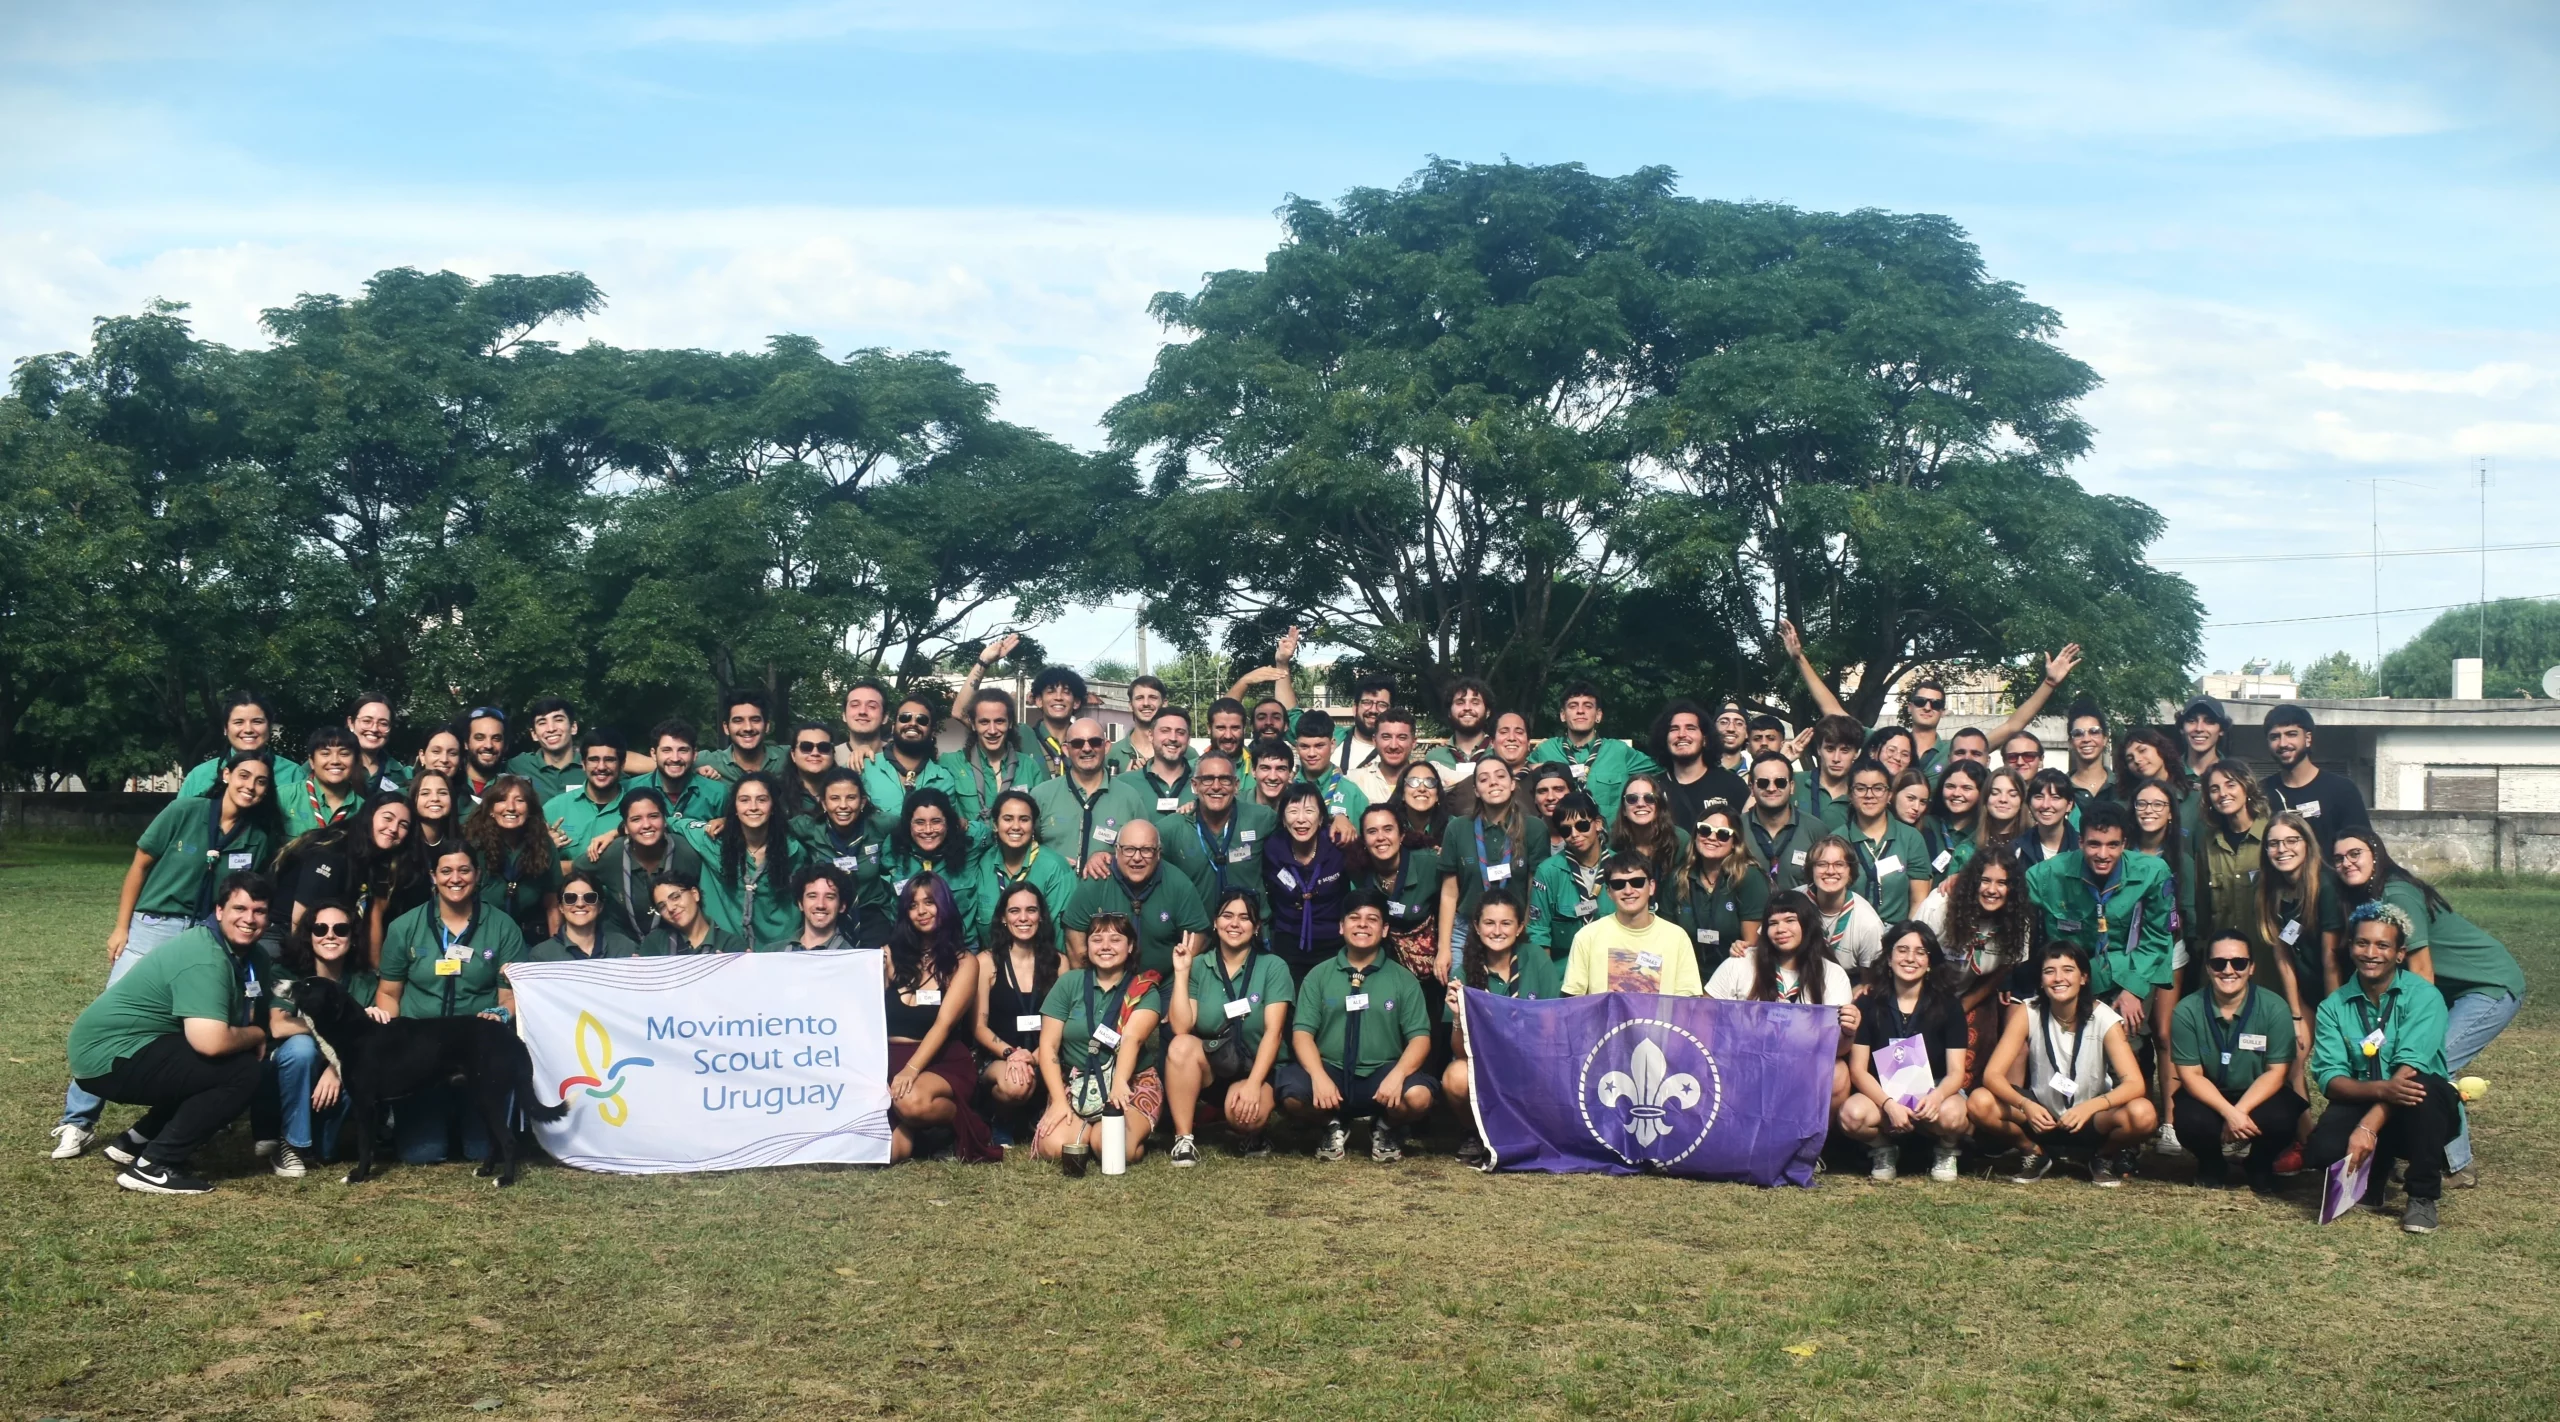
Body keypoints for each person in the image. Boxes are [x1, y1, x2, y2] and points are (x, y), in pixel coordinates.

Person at [55, 753, 284, 1161]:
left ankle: (156, 1128)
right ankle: (78, 1121)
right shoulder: (185, 810)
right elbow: (140, 865)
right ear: (227, 775)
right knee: (122, 1017)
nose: (251, 785)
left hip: (207, 932)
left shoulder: (257, 837)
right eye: (244, 775)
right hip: (156, 924)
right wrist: (122, 926)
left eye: (262, 781)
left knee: (192, 1024)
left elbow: (244, 895)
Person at [64, 872, 277, 1194]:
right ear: (219, 911)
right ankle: (154, 1165)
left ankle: (135, 1141)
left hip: (143, 1043)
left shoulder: (253, 957)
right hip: (108, 1055)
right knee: (241, 1070)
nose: (249, 919)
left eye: (259, 911)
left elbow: (256, 1015)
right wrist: (258, 1035)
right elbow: (212, 1042)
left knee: (226, 1060)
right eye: (239, 909)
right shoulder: (205, 957)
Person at [2332, 825, 2523, 1182]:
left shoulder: (2397, 894)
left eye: (2354, 853)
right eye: (2339, 858)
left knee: (2431, 1063)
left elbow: (2420, 973)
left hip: (2489, 985)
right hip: (2459, 990)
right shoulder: (2368, 897)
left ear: (2376, 852)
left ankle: (2456, 1165)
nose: (2346, 862)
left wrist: (2404, 1031)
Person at [2305, 903, 2462, 1233]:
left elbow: (2410, 1068)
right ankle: (2373, 1175)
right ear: (2351, 947)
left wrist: (2367, 1127)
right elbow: (2331, 1080)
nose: (2371, 953)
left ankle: (2422, 1196)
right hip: (2370, 1095)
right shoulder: (2333, 1007)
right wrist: (2379, 1090)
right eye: (2362, 943)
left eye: (2382, 945)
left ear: (2400, 953)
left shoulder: (2424, 997)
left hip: (2419, 1107)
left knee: (2425, 1088)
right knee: (2322, 1150)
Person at [374, 843, 530, 1164]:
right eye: (445, 871)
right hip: (423, 1054)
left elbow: (510, 995)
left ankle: (469, 1121)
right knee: (422, 1154)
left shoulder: (503, 928)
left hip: (476, 1053)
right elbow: (389, 992)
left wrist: (501, 1014)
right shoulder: (404, 927)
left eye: (464, 870)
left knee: (479, 1152)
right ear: (433, 876)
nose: (455, 879)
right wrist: (394, 1042)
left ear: (478, 875)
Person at [1777, 621, 2081, 785]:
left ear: (1943, 711)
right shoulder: (1884, 742)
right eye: (1920, 700)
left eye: (1935, 704)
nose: (1927, 707)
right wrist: (1800, 659)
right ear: (1909, 706)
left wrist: (2049, 683)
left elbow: (2014, 724)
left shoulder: (1957, 750)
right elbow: (1834, 712)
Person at [1968, 942, 2156, 1186]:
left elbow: (2134, 1084)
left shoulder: (2105, 1017)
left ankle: (2103, 1156)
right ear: (2041, 979)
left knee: (2144, 1114)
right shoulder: (2028, 1012)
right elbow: (1993, 1075)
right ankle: (2032, 1152)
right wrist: (2026, 1105)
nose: (2058, 978)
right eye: (2049, 971)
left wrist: (2090, 1108)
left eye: (2068, 970)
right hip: (2040, 1115)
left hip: (2091, 1117)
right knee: (1978, 1102)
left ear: (2084, 978)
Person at [1278, 893, 1437, 1163]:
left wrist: (1398, 1075)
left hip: (1381, 1074)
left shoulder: (1403, 979)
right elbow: (1302, 1034)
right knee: (1291, 1093)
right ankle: (1332, 1124)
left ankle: (1385, 1126)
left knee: (1419, 1096)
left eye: (1372, 919)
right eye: (1354, 918)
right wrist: (1318, 1076)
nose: (1362, 925)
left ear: (1385, 929)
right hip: (1332, 1072)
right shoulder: (1318, 975)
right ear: (1341, 926)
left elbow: (1420, 1038)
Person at [2022, 800, 2176, 1069]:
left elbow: (2157, 938)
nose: (2103, 854)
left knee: (2124, 1044)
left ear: (2124, 843)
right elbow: (2002, 894)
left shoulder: (2152, 873)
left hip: (2131, 968)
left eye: (2112, 845)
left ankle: (2134, 1106)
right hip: (2073, 974)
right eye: (2094, 844)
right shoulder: (2048, 875)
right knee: (2072, 1051)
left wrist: (2133, 989)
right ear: (2080, 842)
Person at [1163, 888, 1297, 1164]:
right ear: (1215, 922)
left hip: (1259, 1066)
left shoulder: (1273, 966)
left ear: (1257, 927)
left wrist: (1253, 1085)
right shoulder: (1200, 965)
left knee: (1243, 1118)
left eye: (1244, 918)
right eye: (1227, 915)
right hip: (1218, 1061)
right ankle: (1184, 1140)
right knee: (1179, 1046)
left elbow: (1274, 1033)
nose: (1234, 924)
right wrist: (1181, 972)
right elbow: (1181, 1026)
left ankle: (1254, 1129)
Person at [2168, 930, 2305, 1193]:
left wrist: (2239, 1111)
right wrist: (2229, 1113)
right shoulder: (2186, 1011)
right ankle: (2211, 1165)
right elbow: (2190, 1075)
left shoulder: (2275, 1008)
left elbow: (2276, 1072)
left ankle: (2259, 1165)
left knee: (2283, 1118)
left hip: (2258, 1093)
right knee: (2189, 1120)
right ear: (2208, 967)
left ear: (2251, 967)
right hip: (2210, 1093)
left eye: (2239, 963)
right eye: (2219, 963)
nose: (2228, 970)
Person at [1033, 911, 1165, 1171]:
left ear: (1130, 947)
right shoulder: (1069, 982)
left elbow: (1131, 1040)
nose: (1105, 946)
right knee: (1054, 1146)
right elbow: (1048, 1046)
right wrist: (1059, 1100)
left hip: (1129, 1083)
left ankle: (1113, 1136)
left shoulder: (1143, 988)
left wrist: (1119, 1084)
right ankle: (1089, 1128)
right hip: (1077, 1082)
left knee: (1110, 1146)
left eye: (1115, 939)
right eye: (1097, 939)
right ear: (1087, 946)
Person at [1840, 922, 1972, 1182]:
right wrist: (1889, 1105)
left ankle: (1945, 1149)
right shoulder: (1868, 1002)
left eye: (1920, 952)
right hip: (1883, 1093)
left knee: (1953, 1115)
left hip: (1933, 1092)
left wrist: (1936, 1097)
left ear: (1930, 961)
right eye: (1902, 950)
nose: (1910, 958)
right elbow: (1857, 1069)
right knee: (1851, 1116)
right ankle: (1883, 1148)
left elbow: (1957, 1072)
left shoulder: (1949, 1005)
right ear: (1889, 958)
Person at [1705, 890, 1859, 1111]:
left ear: (1807, 924)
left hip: (1802, 1063)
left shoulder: (1832, 974)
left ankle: (1815, 1143)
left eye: (1790, 920)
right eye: (1773, 923)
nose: (1781, 929)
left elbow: (1837, 1050)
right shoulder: (1739, 963)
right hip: (1744, 1060)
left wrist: (1849, 1032)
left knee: (1839, 1073)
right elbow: (1704, 1013)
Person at [882, 874, 998, 1162]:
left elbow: (944, 1024)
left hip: (939, 1060)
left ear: (944, 906)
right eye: (913, 905)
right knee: (889, 1153)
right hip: (887, 1058)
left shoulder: (964, 963)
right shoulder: (889, 956)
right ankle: (924, 1136)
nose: (921, 911)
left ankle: (960, 1121)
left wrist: (910, 1070)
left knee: (910, 1102)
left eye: (930, 902)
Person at [1440, 890, 1561, 1164]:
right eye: (1489, 923)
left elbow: (1552, 1023)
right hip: (1485, 1065)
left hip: (1532, 1061)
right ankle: (1474, 1132)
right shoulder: (1463, 974)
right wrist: (1459, 1016)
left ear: (1519, 928)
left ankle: (1528, 1130)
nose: (1497, 931)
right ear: (1476, 927)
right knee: (1455, 1076)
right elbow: (1459, 1051)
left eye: (1506, 923)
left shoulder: (1535, 959)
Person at [259, 898, 375, 1170]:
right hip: (290, 1070)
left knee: (324, 1152)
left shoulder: (363, 979)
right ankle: (290, 1142)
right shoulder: (287, 973)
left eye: (341, 930)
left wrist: (335, 1069)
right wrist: (339, 1038)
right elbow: (280, 1025)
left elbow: (371, 1038)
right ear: (309, 935)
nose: (330, 935)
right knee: (301, 1047)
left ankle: (319, 1143)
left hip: (337, 1073)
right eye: (320, 929)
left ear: (353, 937)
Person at [1917, 853, 2033, 1090]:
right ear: (1972, 882)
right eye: (1985, 880)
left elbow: (2004, 966)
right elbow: (1911, 955)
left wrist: (1965, 1004)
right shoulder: (1939, 907)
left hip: (1971, 992)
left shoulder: (2018, 923)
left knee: (1979, 1039)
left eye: (2002, 883)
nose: (1992, 890)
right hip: (1922, 990)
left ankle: (1971, 1110)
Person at [1435, 755, 1547, 979]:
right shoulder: (1457, 828)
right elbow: (1449, 893)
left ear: (1513, 783)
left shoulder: (1534, 828)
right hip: (1466, 930)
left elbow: (1533, 889)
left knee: (1512, 1004)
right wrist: (1443, 948)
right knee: (1463, 1003)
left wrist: (1521, 930)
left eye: (1500, 776)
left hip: (1514, 929)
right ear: (1476, 790)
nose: (1493, 782)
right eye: (1484, 779)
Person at [1061, 815, 1210, 977]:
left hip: (1164, 985)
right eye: (1129, 849)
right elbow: (1075, 941)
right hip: (1104, 983)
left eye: (1146, 850)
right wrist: (1092, 987)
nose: (1137, 858)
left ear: (1158, 853)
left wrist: (1178, 983)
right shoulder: (1096, 880)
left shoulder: (1179, 884)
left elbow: (1197, 940)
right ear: (1116, 851)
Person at [676, 771, 804, 947]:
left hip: (777, 950)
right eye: (744, 800)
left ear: (773, 806)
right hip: (725, 950)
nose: (753, 807)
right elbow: (669, 822)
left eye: (761, 800)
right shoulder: (713, 842)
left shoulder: (792, 850)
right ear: (734, 808)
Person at [973, 882, 1061, 1129]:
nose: (1023, 918)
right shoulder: (986, 963)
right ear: (1003, 917)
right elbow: (978, 1027)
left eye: (1031, 910)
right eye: (1014, 911)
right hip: (998, 1060)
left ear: (1041, 916)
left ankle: (1033, 1117)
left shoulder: (1059, 964)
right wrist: (1013, 1055)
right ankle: (999, 1119)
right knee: (1017, 1084)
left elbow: (1063, 1027)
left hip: (1045, 1056)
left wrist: (1032, 1058)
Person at [1561, 854, 1702, 996]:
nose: (1628, 891)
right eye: (1618, 884)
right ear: (1609, 892)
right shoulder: (1587, 937)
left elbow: (1689, 1002)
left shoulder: (1677, 938)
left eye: (1637, 882)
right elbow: (1572, 1002)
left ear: (1652, 887)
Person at [1156, 751, 1275, 920]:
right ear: (1195, 786)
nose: (1216, 786)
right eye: (1208, 779)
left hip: (1250, 932)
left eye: (1225, 779)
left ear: (1236, 785)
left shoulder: (1262, 818)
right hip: (1195, 932)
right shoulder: (1171, 828)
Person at [1028, 715, 1149, 878]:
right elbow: (1023, 849)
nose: (1086, 748)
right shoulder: (1041, 795)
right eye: (1078, 743)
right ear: (1066, 750)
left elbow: (1148, 853)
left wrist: (1112, 860)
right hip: (1054, 897)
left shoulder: (1130, 798)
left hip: (1107, 897)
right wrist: (1048, 859)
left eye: (1094, 742)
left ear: (1106, 747)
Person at [586, 789, 709, 943]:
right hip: (622, 947)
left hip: (677, 946)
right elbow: (573, 872)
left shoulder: (687, 852)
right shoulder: (611, 853)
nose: (646, 825)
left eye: (653, 816)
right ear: (625, 827)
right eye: (636, 819)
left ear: (665, 820)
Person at [1527, 681, 1662, 821]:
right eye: (1573, 706)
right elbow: (1517, 774)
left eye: (1588, 706)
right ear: (1562, 715)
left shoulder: (1619, 751)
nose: (1580, 711)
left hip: (1611, 841)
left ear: (1598, 715)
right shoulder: (1545, 750)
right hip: (1561, 838)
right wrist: (1532, 768)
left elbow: (1663, 769)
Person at [963, 787, 1079, 946]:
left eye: (1024, 819)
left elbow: (1061, 940)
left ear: (1033, 826)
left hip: (1042, 965)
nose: (1016, 826)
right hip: (992, 964)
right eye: (1008, 819)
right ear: (995, 825)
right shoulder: (983, 863)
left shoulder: (1055, 868)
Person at [1667, 799, 1769, 974]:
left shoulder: (1748, 877)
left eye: (1722, 834)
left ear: (1735, 842)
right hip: (1685, 977)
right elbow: (1666, 937)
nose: (1712, 838)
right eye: (1705, 830)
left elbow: (1751, 947)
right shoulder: (1678, 877)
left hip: (1732, 977)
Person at [1264, 781, 1351, 981]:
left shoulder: (1337, 846)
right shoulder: (1272, 848)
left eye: (1309, 811)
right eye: (1293, 811)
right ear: (1284, 820)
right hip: (1288, 940)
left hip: (1333, 940)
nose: (1301, 819)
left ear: (1321, 818)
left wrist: (1341, 817)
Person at [2257, 810, 2346, 1000]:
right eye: (2274, 844)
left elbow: (2331, 963)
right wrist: (2297, 1013)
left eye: (2291, 841)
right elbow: (2282, 955)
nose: (2282, 849)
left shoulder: (2326, 887)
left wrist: (2330, 1017)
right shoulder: (2272, 890)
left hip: (2338, 994)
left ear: (2307, 843)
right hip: (2305, 993)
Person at [462, 774, 560, 944]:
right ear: (491, 810)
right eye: (502, 800)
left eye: (519, 800)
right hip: (482, 936)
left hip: (530, 937)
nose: (511, 807)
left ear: (530, 809)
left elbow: (552, 904)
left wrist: (556, 949)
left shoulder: (544, 844)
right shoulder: (474, 847)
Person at [1356, 803, 1443, 991]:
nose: (1380, 838)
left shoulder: (1429, 862)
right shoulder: (1358, 869)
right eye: (1372, 832)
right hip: (1386, 966)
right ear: (1363, 840)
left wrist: (1445, 950)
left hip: (1432, 968)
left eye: (1388, 829)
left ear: (1402, 835)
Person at [2260, 705, 2369, 854]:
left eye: (2291, 734)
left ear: (2308, 738)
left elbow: (2362, 846)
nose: (2283, 743)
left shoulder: (2341, 790)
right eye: (2275, 737)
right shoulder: (2261, 793)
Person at [940, 686, 1048, 832]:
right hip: (969, 852)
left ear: (1010, 723)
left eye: (999, 721)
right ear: (973, 724)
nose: (992, 730)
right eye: (984, 722)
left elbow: (1040, 822)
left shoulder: (1029, 766)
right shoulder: (951, 764)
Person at [1840, 758, 1932, 920]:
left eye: (1878, 788)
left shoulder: (1910, 838)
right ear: (1850, 795)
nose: (1869, 795)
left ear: (1890, 794)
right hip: (1849, 932)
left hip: (1896, 933)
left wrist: (1905, 938)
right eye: (1860, 788)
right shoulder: (1837, 839)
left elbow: (1919, 900)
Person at [176, 691, 304, 804]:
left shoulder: (293, 774)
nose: (248, 730)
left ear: (269, 727)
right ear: (225, 729)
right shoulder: (199, 776)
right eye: (238, 722)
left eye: (257, 722)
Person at [862, 693, 961, 838]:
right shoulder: (865, 767)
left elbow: (950, 829)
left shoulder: (944, 779)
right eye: (905, 717)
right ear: (893, 726)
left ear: (932, 732)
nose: (913, 723)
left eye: (922, 720)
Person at [1527, 791, 1608, 964]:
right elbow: (1538, 933)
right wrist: (1548, 984)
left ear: (1598, 824)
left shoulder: (1623, 868)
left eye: (1582, 826)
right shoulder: (1548, 872)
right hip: (1566, 973)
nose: (1575, 834)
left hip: (1614, 973)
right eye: (1566, 829)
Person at [882, 788, 979, 928]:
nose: (928, 830)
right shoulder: (894, 846)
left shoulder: (969, 843)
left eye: (936, 821)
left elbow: (994, 835)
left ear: (948, 822)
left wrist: (962, 824)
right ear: (908, 824)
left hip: (962, 945)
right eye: (919, 822)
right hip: (910, 943)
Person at [542, 728, 629, 874]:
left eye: (609, 760)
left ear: (622, 764)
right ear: (583, 764)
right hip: (567, 896)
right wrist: (544, 848)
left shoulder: (636, 811)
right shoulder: (553, 809)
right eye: (593, 760)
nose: (601, 767)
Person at [1802, 835, 1889, 974]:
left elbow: (1869, 982)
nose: (1830, 871)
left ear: (1850, 872)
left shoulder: (1868, 923)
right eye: (1822, 864)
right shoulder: (1791, 903)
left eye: (1839, 864)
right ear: (1811, 870)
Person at [1742, 750, 1823, 893]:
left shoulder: (1816, 831)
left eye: (1780, 782)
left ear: (1791, 787)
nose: (1772, 788)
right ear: (1751, 789)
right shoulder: (1735, 829)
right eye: (1763, 783)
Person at [526, 868, 643, 961]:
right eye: (570, 898)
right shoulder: (542, 956)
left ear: (600, 906)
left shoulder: (624, 947)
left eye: (589, 897)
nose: (580, 904)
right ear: (561, 907)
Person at [1111, 703, 1197, 825]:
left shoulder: (1205, 782)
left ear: (1188, 739)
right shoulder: (1125, 783)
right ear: (1151, 736)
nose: (1173, 738)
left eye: (1180, 732)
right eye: (1165, 731)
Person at [1289, 709, 1368, 841]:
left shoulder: (1352, 793)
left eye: (1319, 746)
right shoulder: (1287, 790)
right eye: (1304, 746)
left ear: (1332, 745)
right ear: (1296, 747)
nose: (1311, 753)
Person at [632, 718, 727, 824]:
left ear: (694, 754)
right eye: (666, 750)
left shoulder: (717, 793)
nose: (675, 758)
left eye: (683, 750)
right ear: (654, 754)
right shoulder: (631, 789)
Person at [635, 867, 749, 955]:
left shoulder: (730, 945)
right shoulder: (656, 943)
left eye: (675, 897)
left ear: (695, 894)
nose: (670, 908)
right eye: (662, 906)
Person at [1609, 771, 1688, 893]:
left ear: (1659, 806)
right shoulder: (1612, 841)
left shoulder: (1680, 840)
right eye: (1632, 799)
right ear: (1624, 809)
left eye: (1649, 798)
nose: (1641, 804)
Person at [288, 725, 367, 838]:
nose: (335, 761)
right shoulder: (284, 798)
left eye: (344, 754)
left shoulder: (364, 810)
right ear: (311, 761)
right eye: (325, 753)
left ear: (355, 761)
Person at [501, 696, 583, 801]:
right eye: (542, 723)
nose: (551, 729)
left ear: (573, 727)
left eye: (558, 720)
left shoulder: (592, 767)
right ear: (534, 734)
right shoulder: (518, 766)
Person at [767, 864, 864, 952]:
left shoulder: (851, 958)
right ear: (800, 903)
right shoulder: (771, 952)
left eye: (829, 897)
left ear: (842, 906)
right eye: (812, 896)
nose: (820, 905)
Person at [1793, 714, 1865, 828]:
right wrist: (1782, 759)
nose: (1836, 758)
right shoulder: (1793, 782)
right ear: (1819, 750)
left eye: (1845, 750)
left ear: (1857, 753)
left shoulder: (1864, 793)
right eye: (1830, 749)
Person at [1923, 761, 1989, 881]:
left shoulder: (1986, 833)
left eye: (1966, 788)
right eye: (1950, 786)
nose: (1956, 793)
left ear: (1982, 793)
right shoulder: (1925, 825)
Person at [1347, 705, 1423, 809]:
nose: (1393, 746)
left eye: (1402, 737)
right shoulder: (1353, 781)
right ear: (1375, 740)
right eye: (1386, 737)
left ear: (1413, 742)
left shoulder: (1431, 779)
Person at [695, 690, 776, 785]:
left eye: (755, 720)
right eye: (738, 721)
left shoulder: (787, 758)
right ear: (726, 728)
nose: (748, 728)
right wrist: (692, 774)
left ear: (767, 726)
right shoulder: (705, 761)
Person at [1024, 665, 1091, 778]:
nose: (1058, 697)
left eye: (1066, 692)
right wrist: (983, 663)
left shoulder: (1086, 744)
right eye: (1051, 692)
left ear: (1076, 702)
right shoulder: (1025, 737)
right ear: (1039, 700)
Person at [1104, 674, 1174, 774]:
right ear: (1130, 705)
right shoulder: (1111, 754)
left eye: (1153, 697)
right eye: (1139, 698)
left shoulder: (1183, 752)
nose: (1146, 703)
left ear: (1164, 704)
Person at [1424, 675, 1496, 769]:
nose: (1467, 708)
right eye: (1460, 703)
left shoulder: (1499, 753)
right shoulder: (1433, 759)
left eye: (1475, 703)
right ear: (1449, 712)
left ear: (1487, 712)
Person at [2013, 769, 2079, 868]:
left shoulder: (2082, 847)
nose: (2045, 805)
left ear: (2069, 804)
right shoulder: (2016, 850)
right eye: (2039, 797)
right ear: (2029, 803)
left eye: (2055, 797)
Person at [776, 719, 838, 821]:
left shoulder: (848, 790)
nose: (815, 753)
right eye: (806, 747)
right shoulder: (777, 794)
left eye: (823, 747)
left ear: (832, 754)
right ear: (793, 755)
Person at [2178, 695, 2245, 781]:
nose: (2199, 728)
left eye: (2209, 721)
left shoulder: (2237, 775)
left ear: (2221, 729)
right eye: (2192, 721)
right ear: (2182, 728)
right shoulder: (2168, 772)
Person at [1391, 761, 1450, 855]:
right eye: (1413, 782)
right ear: (1402, 793)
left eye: (1430, 782)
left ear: (1437, 795)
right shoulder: (1389, 826)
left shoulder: (1454, 828)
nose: (1422, 789)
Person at [836, 677, 891, 772]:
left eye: (872, 706)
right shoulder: (829, 757)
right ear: (844, 715)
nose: (862, 711)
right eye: (855, 705)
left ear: (885, 717)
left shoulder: (899, 756)